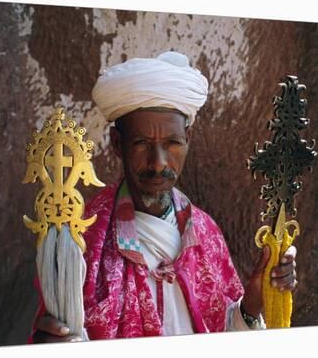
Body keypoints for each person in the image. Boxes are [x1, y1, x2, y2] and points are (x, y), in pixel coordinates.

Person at [30, 51, 297, 343]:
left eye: (171, 143)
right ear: (117, 144)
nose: (158, 163)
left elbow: (223, 333)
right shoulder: (83, 239)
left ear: (188, 140)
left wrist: (252, 304)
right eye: (141, 144)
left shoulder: (205, 233)